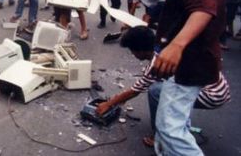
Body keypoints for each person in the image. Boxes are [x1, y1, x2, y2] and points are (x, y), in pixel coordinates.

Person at [150, 0, 225, 155]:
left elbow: (203, 9)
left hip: (191, 56)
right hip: (193, 54)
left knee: (169, 129)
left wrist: (176, 46)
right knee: (170, 121)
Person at [96, 26, 230, 148]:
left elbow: (135, 91)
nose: (132, 54)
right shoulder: (167, 45)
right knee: (165, 86)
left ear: (140, 50)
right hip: (218, 87)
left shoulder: (157, 62)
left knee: (155, 91)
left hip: (212, 95)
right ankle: (180, 122)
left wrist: (109, 104)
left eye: (132, 51)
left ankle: (159, 136)